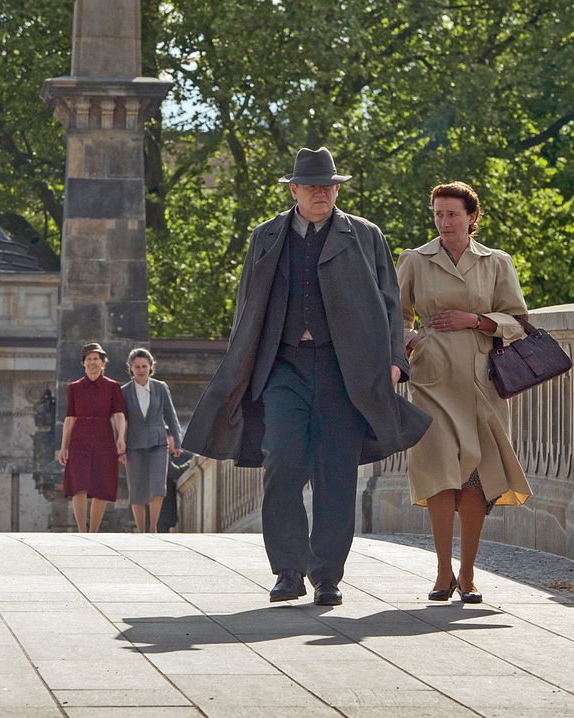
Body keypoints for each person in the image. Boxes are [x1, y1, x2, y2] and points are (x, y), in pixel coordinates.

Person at [183, 147, 430, 606]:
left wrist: (395, 359)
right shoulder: (266, 236)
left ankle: (327, 575)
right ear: (293, 189)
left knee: (335, 472)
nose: (322, 192)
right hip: (283, 366)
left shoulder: (365, 235)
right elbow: (246, 307)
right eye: (313, 185)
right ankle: (288, 570)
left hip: (345, 368)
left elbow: (391, 302)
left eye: (329, 185)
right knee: (282, 464)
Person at [398, 181, 531, 604]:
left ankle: (469, 573)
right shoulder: (415, 260)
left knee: (475, 477)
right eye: (438, 214)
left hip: (482, 381)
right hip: (432, 381)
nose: (444, 222)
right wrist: (413, 343)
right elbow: (395, 317)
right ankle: (441, 572)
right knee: (438, 472)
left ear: (472, 217)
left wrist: (476, 319)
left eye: (452, 214)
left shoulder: (496, 262)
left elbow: (518, 321)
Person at [57, 342, 126, 533]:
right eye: (89, 359)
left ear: (103, 362)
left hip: (104, 438)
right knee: (78, 484)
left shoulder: (113, 387)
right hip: (79, 439)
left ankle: (94, 531)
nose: (92, 362)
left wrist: (121, 438)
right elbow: (70, 418)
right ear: (83, 363)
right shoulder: (74, 387)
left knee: (101, 485)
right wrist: (64, 447)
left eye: (96, 359)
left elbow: (119, 415)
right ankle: (81, 530)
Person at [120, 348, 183, 533]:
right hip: (134, 444)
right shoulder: (123, 391)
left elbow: (171, 416)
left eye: (144, 366)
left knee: (157, 485)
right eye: (137, 366)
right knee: (137, 488)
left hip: (158, 442)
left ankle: (153, 527)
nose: (141, 370)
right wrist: (120, 445)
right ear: (131, 368)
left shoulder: (160, 387)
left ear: (151, 367)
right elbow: (120, 420)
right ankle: (141, 529)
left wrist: (177, 441)